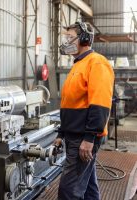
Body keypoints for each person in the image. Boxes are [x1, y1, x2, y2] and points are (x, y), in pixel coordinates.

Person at [54, 22, 114, 200]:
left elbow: (101, 103)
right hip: (74, 135)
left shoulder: (97, 62)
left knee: (68, 191)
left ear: (85, 39)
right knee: (88, 187)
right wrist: (61, 133)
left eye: (70, 36)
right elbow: (70, 103)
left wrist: (90, 138)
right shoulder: (79, 64)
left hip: (84, 137)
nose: (66, 41)